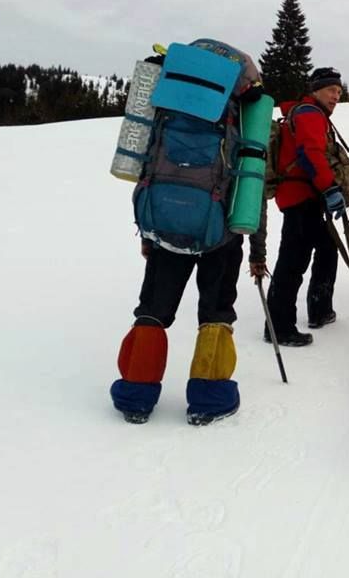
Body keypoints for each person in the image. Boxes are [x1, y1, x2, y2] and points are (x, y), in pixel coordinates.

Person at [110, 41, 264, 425]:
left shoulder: (169, 103)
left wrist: (147, 233)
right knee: (215, 311)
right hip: (222, 232)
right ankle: (210, 398)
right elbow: (254, 184)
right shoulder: (245, 113)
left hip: (164, 225)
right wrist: (257, 247)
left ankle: (136, 394)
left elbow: (147, 163)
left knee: (153, 309)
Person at [264, 67, 347, 346]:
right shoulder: (309, 113)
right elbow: (310, 153)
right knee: (293, 261)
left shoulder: (309, 113)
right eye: (331, 90)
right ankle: (279, 326)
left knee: (326, 248)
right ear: (315, 90)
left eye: (338, 91)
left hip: (305, 196)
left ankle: (320, 309)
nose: (336, 95)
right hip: (301, 196)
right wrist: (330, 188)